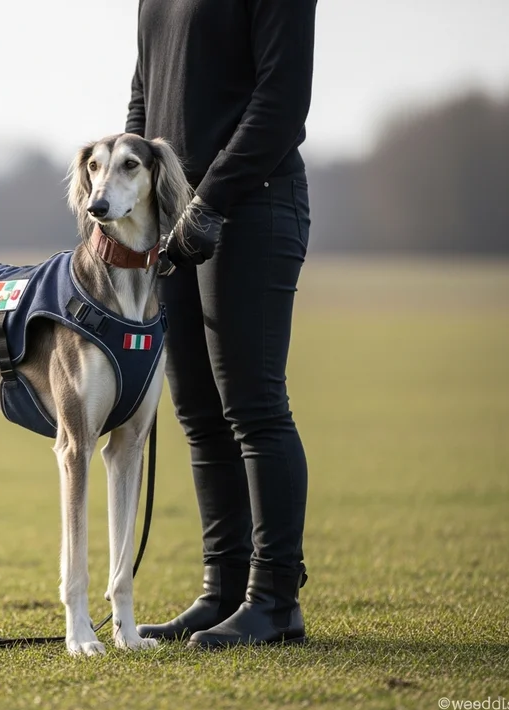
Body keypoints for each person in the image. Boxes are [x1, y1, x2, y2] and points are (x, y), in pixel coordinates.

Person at [127, 0, 317, 648]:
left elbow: (282, 102)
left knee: (255, 407)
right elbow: (143, 99)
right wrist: (139, 201)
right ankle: (224, 590)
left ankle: (275, 601)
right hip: (173, 218)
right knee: (200, 415)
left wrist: (208, 201)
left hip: (254, 206)